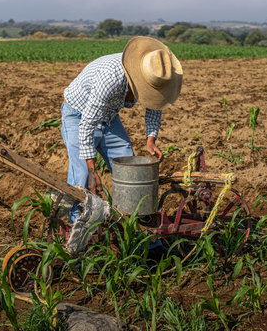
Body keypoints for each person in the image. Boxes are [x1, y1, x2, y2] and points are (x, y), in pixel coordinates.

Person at [61, 36, 183, 224]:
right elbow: (86, 125)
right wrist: (93, 171)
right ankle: (78, 236)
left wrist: (151, 140)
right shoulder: (110, 78)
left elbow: (154, 107)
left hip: (109, 117)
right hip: (78, 115)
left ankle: (137, 232)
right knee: (82, 178)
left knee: (130, 171)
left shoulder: (155, 73)